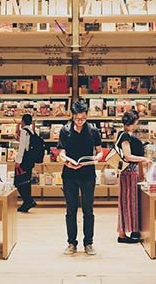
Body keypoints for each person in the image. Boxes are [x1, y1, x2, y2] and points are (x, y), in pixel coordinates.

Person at [58, 99, 102, 256]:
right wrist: (67, 161)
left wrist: (97, 158)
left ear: (87, 116)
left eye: (83, 118)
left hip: (88, 174)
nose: (80, 121)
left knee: (88, 210)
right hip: (69, 174)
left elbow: (100, 151)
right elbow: (61, 152)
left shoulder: (93, 131)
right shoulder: (65, 130)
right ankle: (71, 243)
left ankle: (88, 243)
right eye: (77, 118)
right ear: (72, 116)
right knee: (71, 210)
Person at [115, 110, 152, 243]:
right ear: (134, 122)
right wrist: (143, 159)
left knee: (125, 203)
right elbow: (128, 156)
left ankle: (123, 232)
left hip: (126, 174)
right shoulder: (125, 136)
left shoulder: (122, 134)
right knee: (129, 203)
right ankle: (124, 234)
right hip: (129, 174)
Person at [14, 113, 37, 212]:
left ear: (22, 122)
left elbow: (22, 147)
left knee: (18, 181)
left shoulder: (24, 131)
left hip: (24, 161)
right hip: (30, 161)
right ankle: (27, 202)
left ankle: (28, 201)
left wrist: (18, 161)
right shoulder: (31, 131)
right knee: (26, 182)